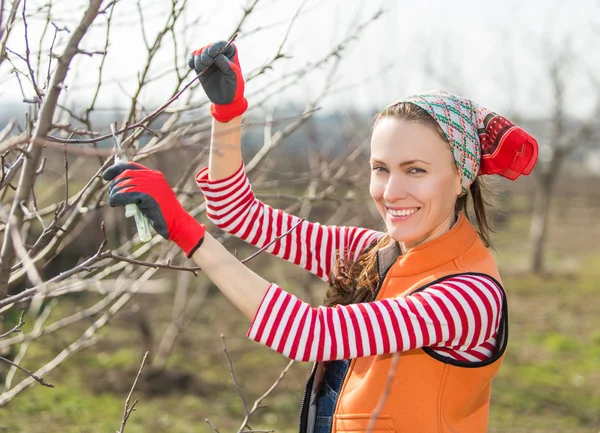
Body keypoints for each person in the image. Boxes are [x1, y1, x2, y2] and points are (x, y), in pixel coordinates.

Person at [103, 41, 539, 433]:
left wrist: (185, 231)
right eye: (381, 168)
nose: (391, 192)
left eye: (416, 170)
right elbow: (239, 214)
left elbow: (310, 333)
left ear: (461, 178)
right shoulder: (374, 253)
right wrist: (227, 115)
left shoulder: (469, 296)